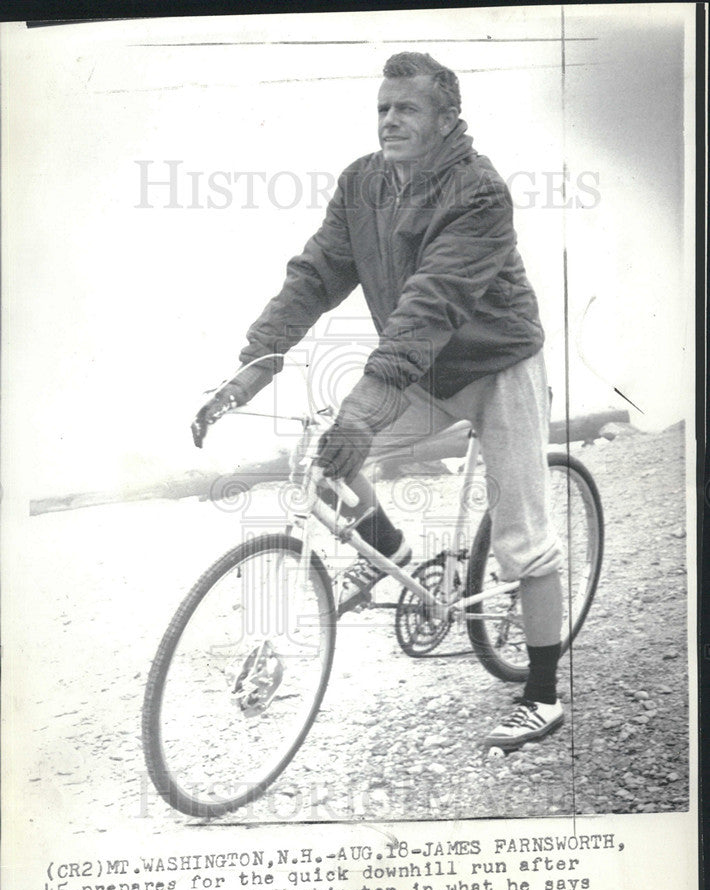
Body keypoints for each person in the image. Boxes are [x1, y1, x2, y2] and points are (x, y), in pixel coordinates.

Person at [191, 52, 564, 750]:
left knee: (522, 541)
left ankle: (543, 695)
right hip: (420, 371)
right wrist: (249, 372)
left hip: (496, 367)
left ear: (447, 118)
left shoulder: (479, 193)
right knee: (318, 455)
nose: (390, 120)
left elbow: (430, 306)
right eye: (383, 108)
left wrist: (362, 412)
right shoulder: (363, 183)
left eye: (407, 109)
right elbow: (314, 276)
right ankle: (387, 542)